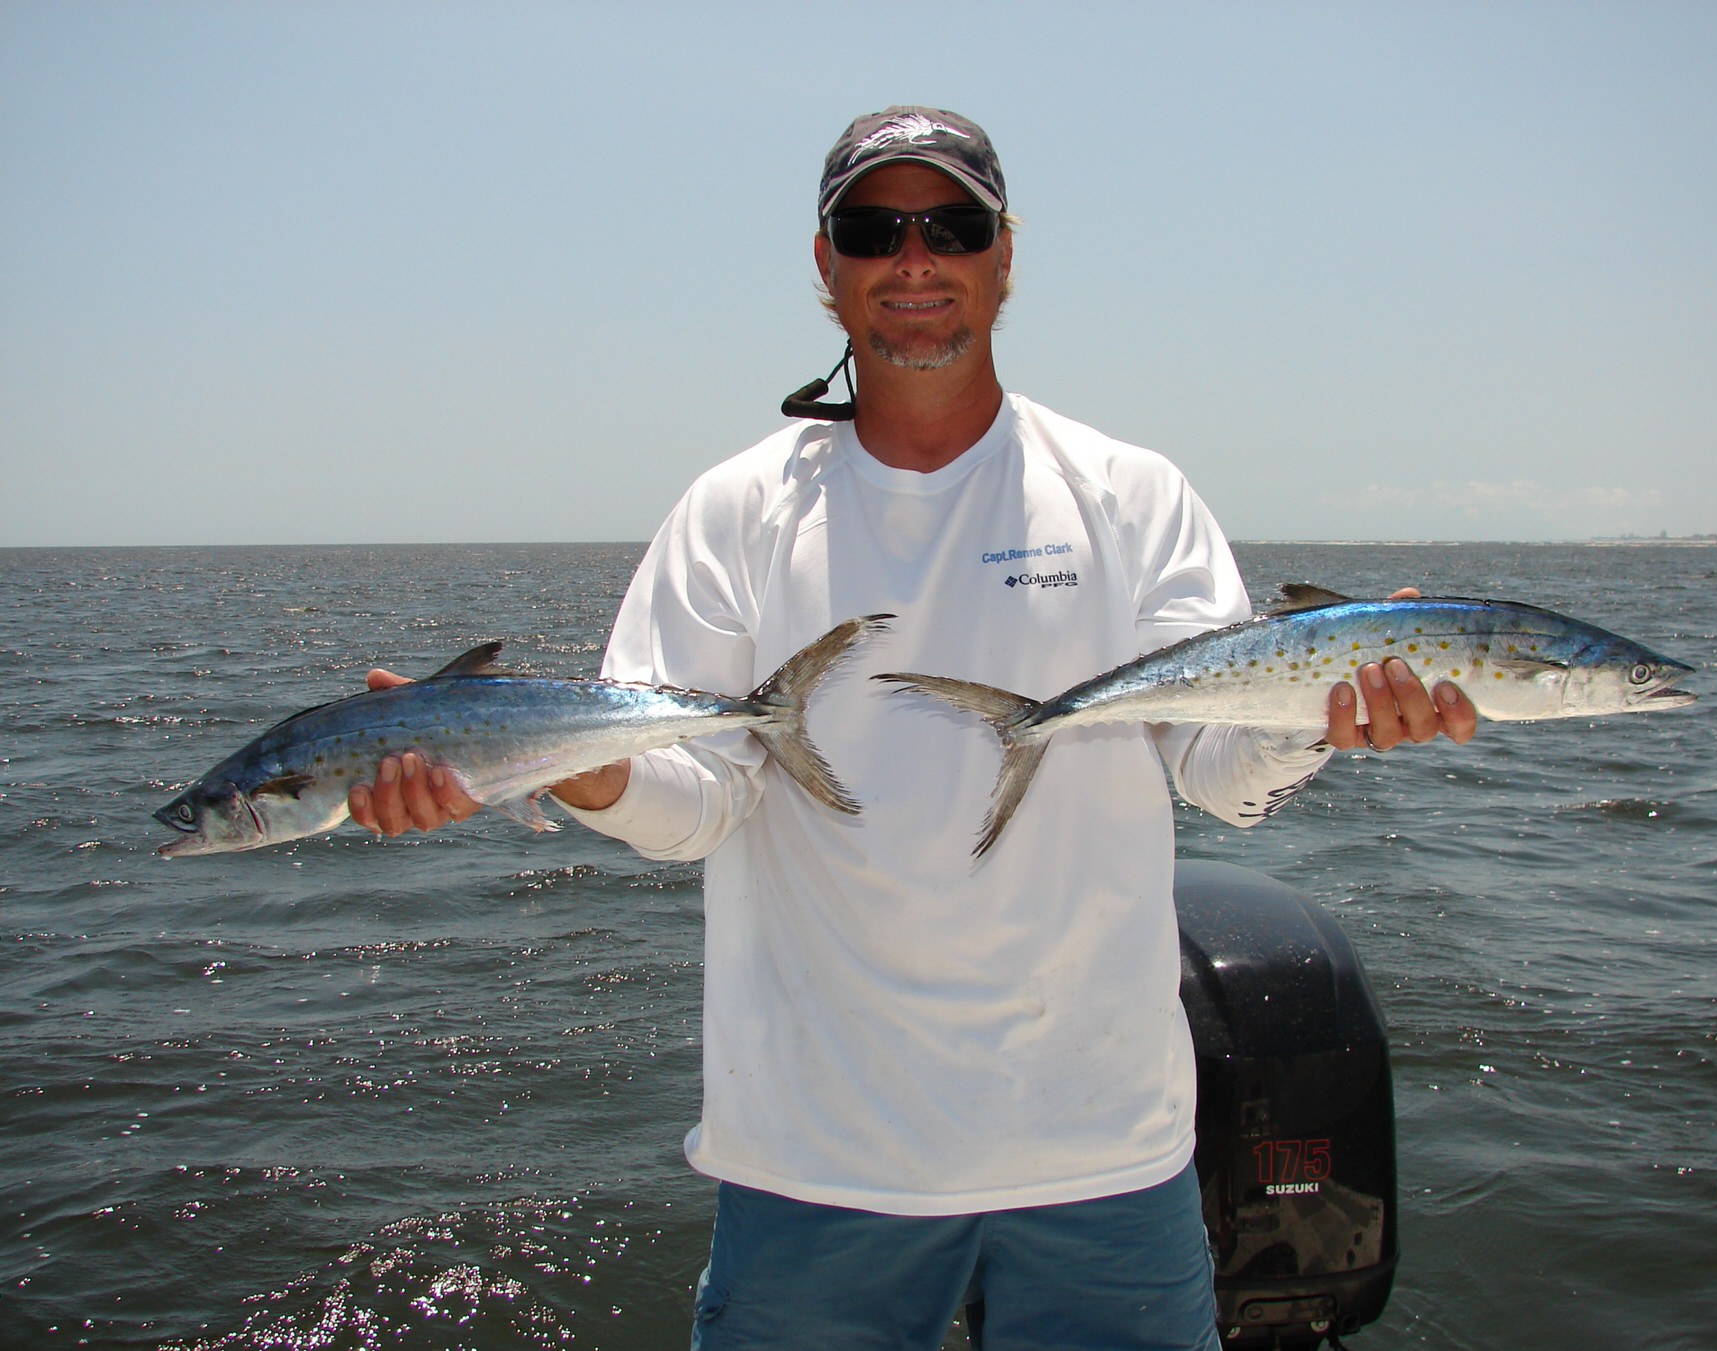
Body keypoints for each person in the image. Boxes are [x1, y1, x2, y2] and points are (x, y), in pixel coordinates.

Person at [350, 106, 1475, 1350]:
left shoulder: (1130, 496)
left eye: (951, 225)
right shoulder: (733, 515)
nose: (915, 259)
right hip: (817, 1166)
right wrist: (573, 770)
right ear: (826, 267)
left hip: (1104, 1158)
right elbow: (701, 805)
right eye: (874, 229)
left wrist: (1322, 720)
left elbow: (1221, 773)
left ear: (1005, 256)